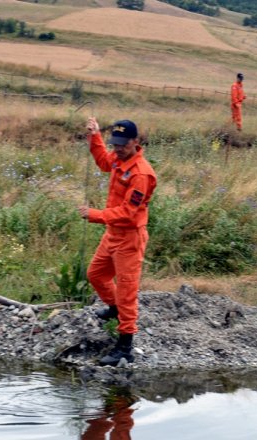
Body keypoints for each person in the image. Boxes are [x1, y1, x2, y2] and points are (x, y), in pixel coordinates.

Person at [80, 117, 157, 367]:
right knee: (96, 274)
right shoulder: (117, 158)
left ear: (136, 142)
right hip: (112, 233)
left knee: (127, 291)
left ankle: (125, 347)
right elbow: (104, 161)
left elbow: (128, 212)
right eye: (115, 144)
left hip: (129, 238)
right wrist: (95, 136)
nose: (117, 149)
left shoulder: (141, 174)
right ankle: (114, 308)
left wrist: (96, 215)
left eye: (123, 145)